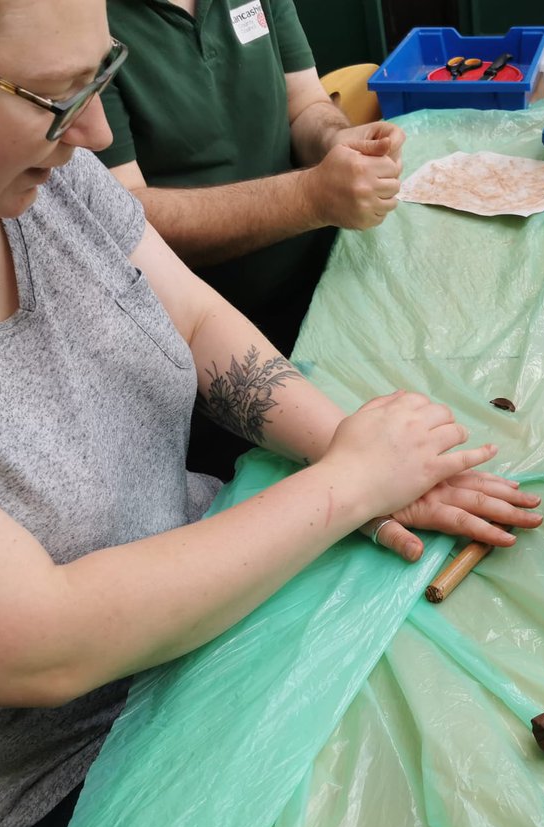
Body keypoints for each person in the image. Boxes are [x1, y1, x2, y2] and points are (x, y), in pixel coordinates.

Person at [0, 1, 542, 827]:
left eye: (101, 76)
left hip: (205, 644)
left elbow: (190, 317)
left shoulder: (49, 178)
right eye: (52, 94)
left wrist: (347, 449)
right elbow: (46, 645)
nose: (97, 128)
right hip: (54, 794)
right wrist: (348, 486)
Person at [98, 0, 406, 478]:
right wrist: (308, 198)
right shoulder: (83, 20)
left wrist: (340, 145)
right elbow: (123, 219)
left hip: (318, 292)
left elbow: (305, 105)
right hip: (196, 347)